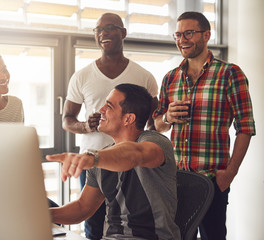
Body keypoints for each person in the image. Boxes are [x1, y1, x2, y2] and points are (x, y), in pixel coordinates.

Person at [153, 11, 256, 240]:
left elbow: (246, 127)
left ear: (207, 35)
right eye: (178, 35)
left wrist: (230, 172)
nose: (182, 40)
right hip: (176, 178)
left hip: (212, 179)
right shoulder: (170, 78)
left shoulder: (230, 73)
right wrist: (167, 117)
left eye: (189, 33)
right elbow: (157, 124)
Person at [62, 12, 158, 239]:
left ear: (123, 33)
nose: (102, 33)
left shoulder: (144, 76)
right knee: (93, 225)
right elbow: (67, 120)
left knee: (131, 225)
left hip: (132, 165)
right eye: (98, 30)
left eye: (110, 28)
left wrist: (148, 147)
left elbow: (155, 123)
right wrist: (86, 126)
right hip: (92, 163)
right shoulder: (82, 76)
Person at [48, 84, 180, 240]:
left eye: (108, 106)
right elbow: (82, 208)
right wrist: (38, 215)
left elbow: (134, 154)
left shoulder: (155, 142)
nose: (101, 110)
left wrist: (92, 158)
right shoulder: (101, 157)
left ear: (128, 118)